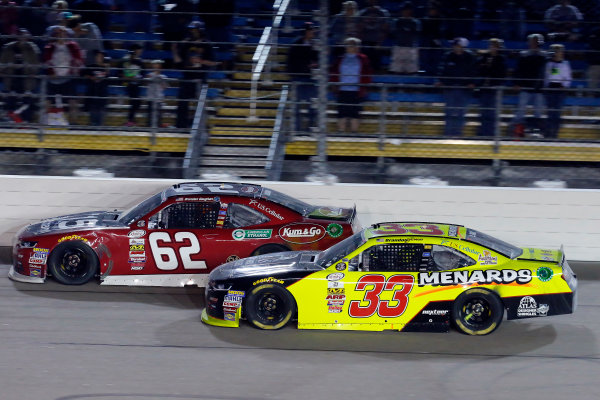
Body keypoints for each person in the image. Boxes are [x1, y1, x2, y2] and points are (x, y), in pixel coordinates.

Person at [42, 25, 84, 125]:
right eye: (59, 33)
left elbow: (79, 60)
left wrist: (75, 70)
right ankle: (44, 122)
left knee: (73, 102)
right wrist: (51, 72)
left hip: (68, 78)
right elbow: (46, 62)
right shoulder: (50, 47)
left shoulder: (73, 46)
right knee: (47, 101)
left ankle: (73, 123)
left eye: (63, 33)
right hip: (53, 78)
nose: (61, 35)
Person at [331, 37, 372, 134]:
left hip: (356, 90)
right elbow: (334, 72)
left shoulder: (363, 58)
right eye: (349, 44)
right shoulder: (341, 58)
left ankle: (354, 131)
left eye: (354, 45)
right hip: (343, 89)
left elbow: (367, 72)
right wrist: (334, 85)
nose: (351, 47)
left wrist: (365, 86)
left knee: (355, 112)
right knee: (342, 112)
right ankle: (341, 131)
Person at [436, 37, 475, 137]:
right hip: (450, 88)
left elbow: (474, 71)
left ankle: (458, 134)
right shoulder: (448, 56)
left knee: (461, 113)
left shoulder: (469, 57)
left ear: (462, 46)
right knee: (449, 112)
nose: (454, 47)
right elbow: (442, 69)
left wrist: (472, 82)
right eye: (454, 45)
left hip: (464, 89)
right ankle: (448, 134)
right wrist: (440, 81)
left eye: (456, 45)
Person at [0, 28, 40, 123]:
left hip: (26, 79)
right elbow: (2, 62)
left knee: (27, 100)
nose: (22, 37)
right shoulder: (8, 47)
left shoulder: (32, 48)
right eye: (20, 35)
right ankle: (11, 119)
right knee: (11, 99)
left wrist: (29, 68)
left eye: (24, 35)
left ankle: (26, 120)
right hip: (12, 78)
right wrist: (5, 67)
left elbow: (36, 64)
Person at [511, 33, 547, 136]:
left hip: (539, 88)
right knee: (521, 111)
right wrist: (516, 83)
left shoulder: (545, 56)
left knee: (538, 112)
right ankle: (518, 132)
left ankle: (536, 132)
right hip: (525, 87)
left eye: (536, 41)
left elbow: (549, 71)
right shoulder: (524, 55)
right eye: (532, 41)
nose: (534, 43)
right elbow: (518, 70)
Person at [286, 22, 318, 133]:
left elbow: (318, 59)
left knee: (313, 104)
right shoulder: (296, 44)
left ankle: (310, 127)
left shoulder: (315, 44)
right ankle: (297, 128)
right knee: (297, 104)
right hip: (299, 78)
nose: (313, 32)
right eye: (311, 30)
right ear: (305, 32)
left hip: (312, 79)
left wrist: (314, 65)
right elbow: (291, 63)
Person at [476, 38, 507, 137]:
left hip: (495, 89)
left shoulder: (501, 59)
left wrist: (490, 67)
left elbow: (501, 74)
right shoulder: (484, 57)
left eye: (494, 46)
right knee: (484, 113)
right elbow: (479, 70)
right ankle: (483, 133)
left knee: (493, 114)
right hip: (484, 89)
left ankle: (491, 134)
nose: (492, 48)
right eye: (491, 46)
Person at [544, 44, 571, 138]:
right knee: (550, 113)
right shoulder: (549, 64)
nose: (561, 53)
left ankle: (554, 133)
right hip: (550, 89)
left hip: (560, 90)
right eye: (559, 51)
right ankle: (548, 134)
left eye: (561, 51)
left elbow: (567, 78)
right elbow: (548, 77)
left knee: (557, 113)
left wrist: (564, 86)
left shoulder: (565, 64)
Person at [357, 0, 390, 71]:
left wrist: (380, 42)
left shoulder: (383, 13)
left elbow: (385, 29)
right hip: (364, 41)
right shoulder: (362, 13)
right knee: (364, 64)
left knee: (376, 65)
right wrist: (361, 41)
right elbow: (359, 28)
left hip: (378, 42)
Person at [389, 1, 421, 74]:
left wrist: (405, 31)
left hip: (411, 48)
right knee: (396, 70)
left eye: (408, 9)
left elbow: (416, 34)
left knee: (411, 71)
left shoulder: (415, 22)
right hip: (398, 47)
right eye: (404, 9)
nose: (406, 11)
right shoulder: (397, 21)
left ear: (411, 11)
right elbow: (394, 33)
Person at [82, 50, 110, 126]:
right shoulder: (91, 66)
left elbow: (108, 78)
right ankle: (93, 124)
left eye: (101, 56)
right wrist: (91, 77)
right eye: (98, 56)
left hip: (102, 91)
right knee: (93, 108)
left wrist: (107, 69)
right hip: (92, 91)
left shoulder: (105, 67)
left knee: (101, 109)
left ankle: (100, 125)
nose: (99, 58)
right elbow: (83, 74)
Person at [121, 43, 144, 126]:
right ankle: (130, 120)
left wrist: (138, 77)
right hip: (129, 84)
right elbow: (124, 73)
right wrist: (131, 77)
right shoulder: (126, 59)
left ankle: (131, 120)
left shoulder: (139, 60)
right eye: (139, 50)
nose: (140, 51)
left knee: (137, 102)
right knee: (135, 101)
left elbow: (142, 73)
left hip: (136, 84)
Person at [146, 60, 168, 128]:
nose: (156, 67)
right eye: (154, 65)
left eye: (158, 65)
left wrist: (161, 80)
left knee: (158, 115)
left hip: (159, 98)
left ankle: (158, 128)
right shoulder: (149, 75)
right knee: (150, 114)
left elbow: (165, 87)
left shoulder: (163, 76)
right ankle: (149, 128)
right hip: (150, 98)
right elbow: (146, 82)